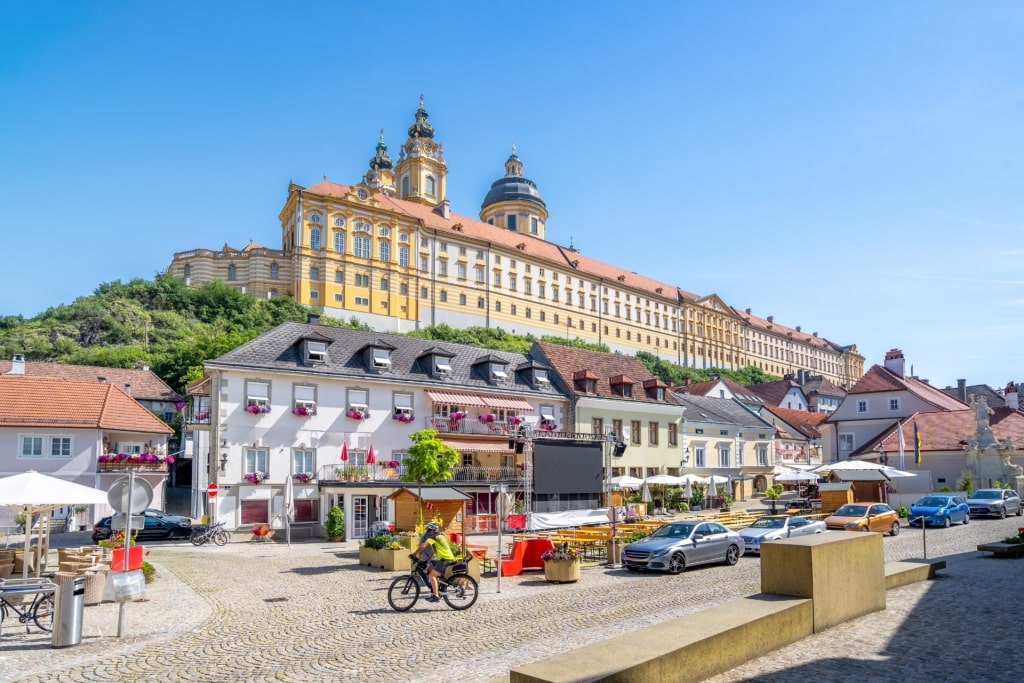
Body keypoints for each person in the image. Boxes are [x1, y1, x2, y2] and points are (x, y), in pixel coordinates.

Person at [414, 522, 458, 602]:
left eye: (428, 530)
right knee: (429, 569)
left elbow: (422, 546)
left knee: (432, 575)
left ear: (432, 530)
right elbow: (434, 551)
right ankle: (437, 589)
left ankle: (436, 595)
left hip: (445, 559)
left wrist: (414, 554)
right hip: (445, 558)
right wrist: (427, 560)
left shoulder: (432, 537)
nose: (427, 531)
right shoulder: (440, 536)